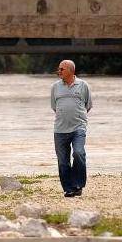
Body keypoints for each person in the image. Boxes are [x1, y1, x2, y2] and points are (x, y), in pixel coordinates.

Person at [50, 59, 92, 197]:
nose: (59, 71)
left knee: (79, 153)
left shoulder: (83, 85)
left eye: (62, 69)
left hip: (78, 128)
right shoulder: (55, 87)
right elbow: (54, 107)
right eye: (59, 69)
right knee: (63, 161)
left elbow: (88, 105)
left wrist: (77, 116)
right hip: (60, 130)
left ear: (71, 71)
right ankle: (69, 188)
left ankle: (78, 185)